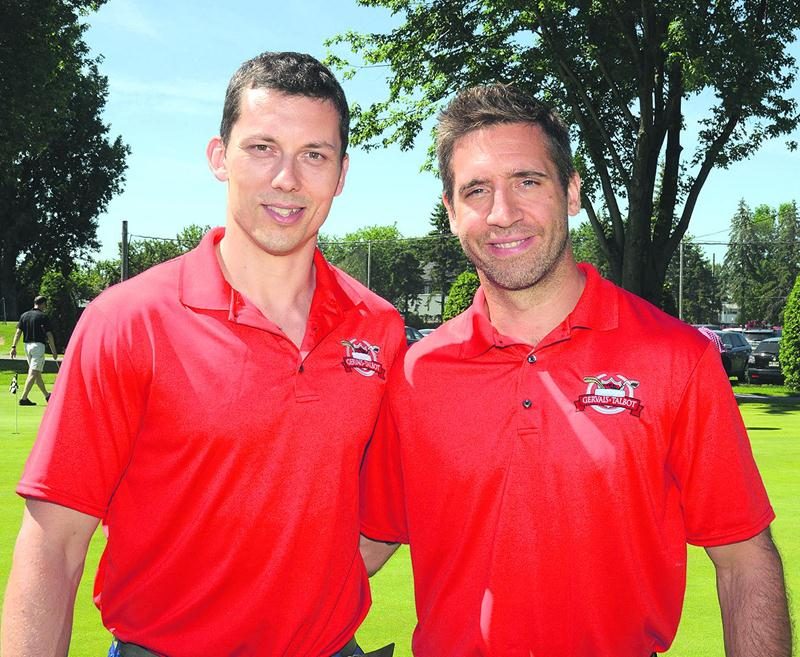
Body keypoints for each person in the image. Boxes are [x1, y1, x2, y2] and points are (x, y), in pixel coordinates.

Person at [359, 84, 792, 656]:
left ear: (571, 192)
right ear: (452, 211)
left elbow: (742, 557)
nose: (503, 213)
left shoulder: (675, 357)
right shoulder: (417, 374)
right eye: (477, 191)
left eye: (528, 182)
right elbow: (367, 542)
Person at [2, 51, 405, 657]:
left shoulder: (379, 328)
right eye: (262, 147)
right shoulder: (127, 319)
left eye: (314, 155)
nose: (287, 178)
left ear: (341, 173)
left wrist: (303, 588)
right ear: (220, 156)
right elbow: (54, 545)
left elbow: (383, 517)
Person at [9, 295, 58, 405]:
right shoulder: (43, 317)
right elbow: (49, 335)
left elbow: (18, 332)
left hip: (27, 346)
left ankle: (47, 395)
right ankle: (24, 398)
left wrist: (13, 346)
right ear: (42, 304)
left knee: (36, 373)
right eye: (45, 304)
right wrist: (54, 350)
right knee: (33, 373)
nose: (45, 307)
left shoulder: (24, 315)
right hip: (38, 346)